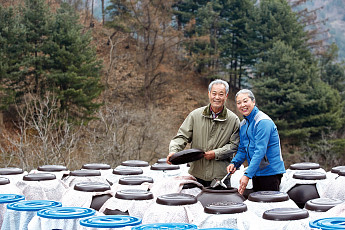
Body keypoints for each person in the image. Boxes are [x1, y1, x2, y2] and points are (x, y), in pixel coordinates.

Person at [167, 79, 240, 187]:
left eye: (221, 94)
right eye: (214, 93)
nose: (217, 97)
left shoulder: (233, 120)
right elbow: (182, 136)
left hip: (220, 177)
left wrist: (216, 153)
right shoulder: (195, 115)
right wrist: (174, 151)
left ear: (226, 96)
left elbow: (234, 145)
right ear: (209, 94)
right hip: (196, 174)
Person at [227, 89, 286, 195]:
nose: (242, 105)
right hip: (256, 172)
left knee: (269, 207)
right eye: (239, 103)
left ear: (253, 102)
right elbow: (242, 149)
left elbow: (260, 151)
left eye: (245, 101)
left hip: (270, 172)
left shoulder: (263, 122)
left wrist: (247, 175)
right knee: (258, 205)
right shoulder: (243, 124)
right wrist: (234, 163)